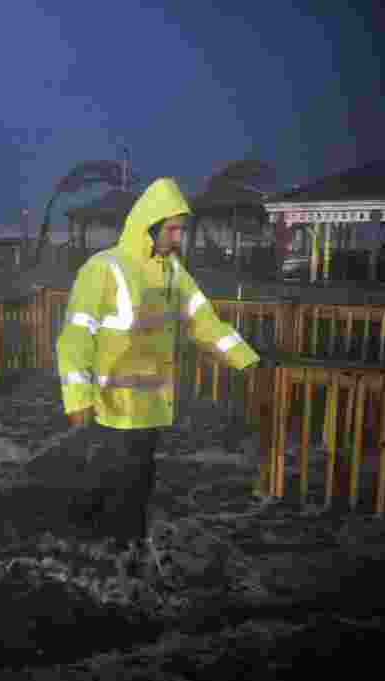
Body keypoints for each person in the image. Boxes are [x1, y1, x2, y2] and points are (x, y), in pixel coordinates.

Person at [56, 177, 261, 563]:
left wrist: (246, 359)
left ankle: (111, 564)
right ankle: (107, 568)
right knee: (116, 488)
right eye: (171, 228)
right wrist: (78, 397)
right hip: (113, 408)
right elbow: (75, 338)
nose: (177, 237)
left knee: (134, 486)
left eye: (180, 229)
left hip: (151, 407)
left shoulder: (173, 272)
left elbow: (204, 321)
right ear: (148, 225)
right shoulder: (104, 269)